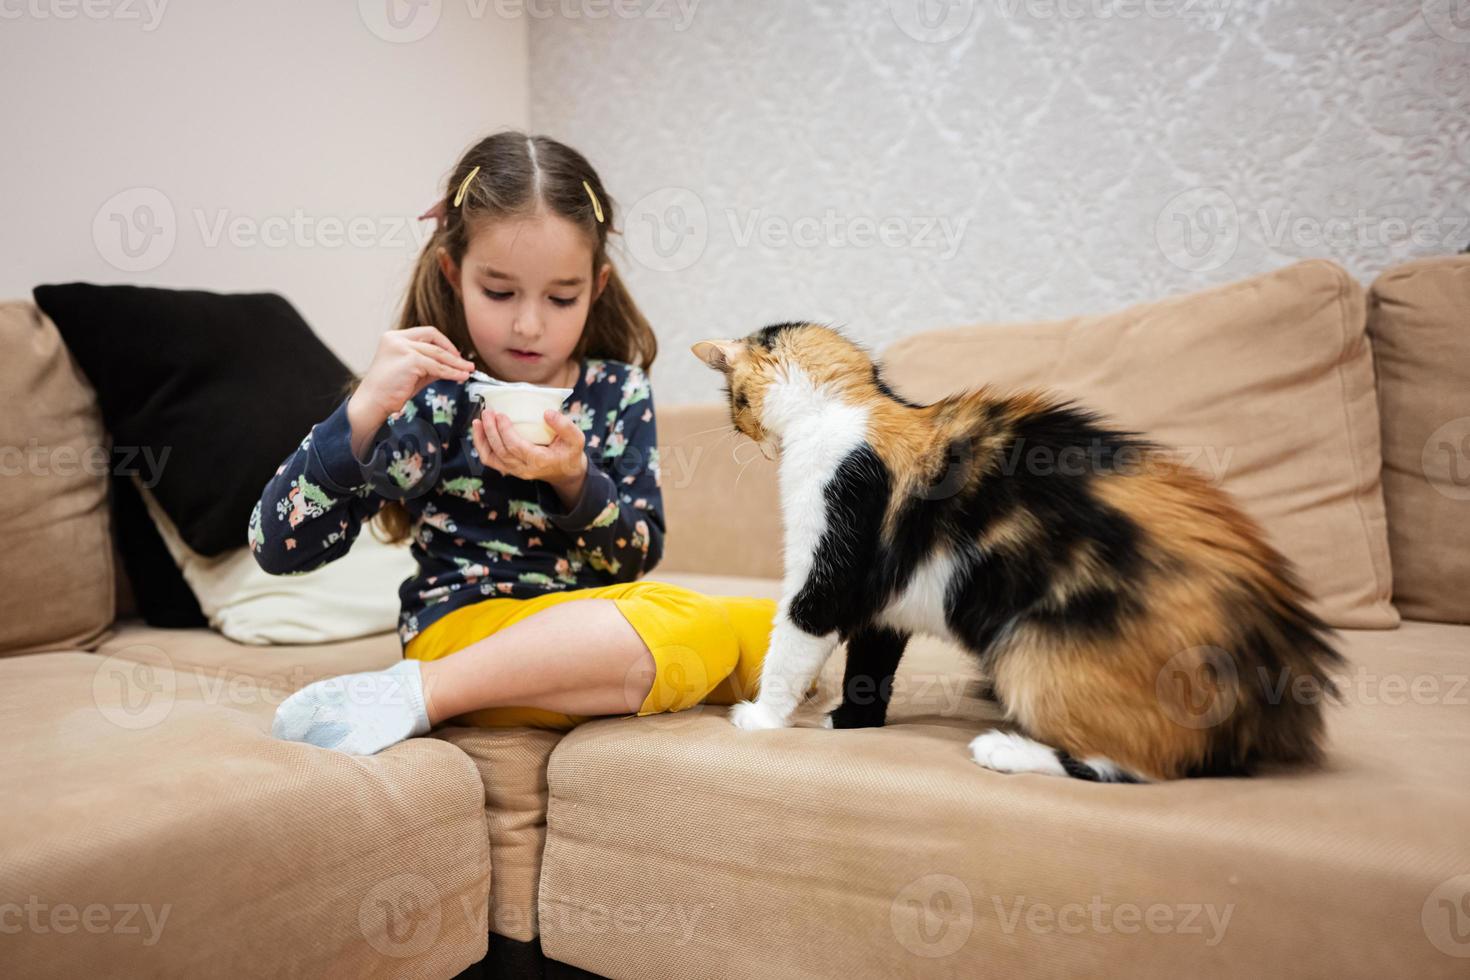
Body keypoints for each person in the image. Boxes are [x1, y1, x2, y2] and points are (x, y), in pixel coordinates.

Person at [250, 131, 776, 754]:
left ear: (597, 286)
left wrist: (572, 481)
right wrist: (363, 410)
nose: (529, 324)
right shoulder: (430, 396)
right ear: (454, 273)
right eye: (498, 292)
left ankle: (508, 681)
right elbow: (279, 548)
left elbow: (633, 560)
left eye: (561, 297)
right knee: (695, 627)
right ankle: (423, 691)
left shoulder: (618, 391)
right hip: (461, 628)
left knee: (778, 628)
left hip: (588, 626)